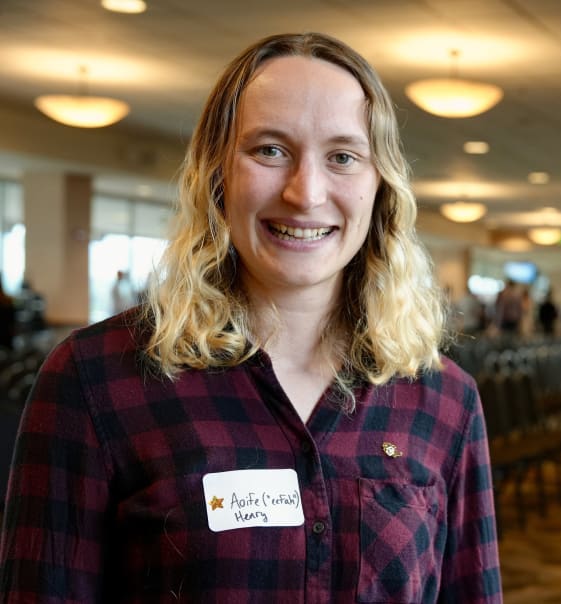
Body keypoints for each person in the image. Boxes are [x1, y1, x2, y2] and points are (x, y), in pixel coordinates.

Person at [0, 33, 502, 602]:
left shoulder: (443, 400)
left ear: (379, 185)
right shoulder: (96, 380)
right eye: (270, 149)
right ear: (218, 174)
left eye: (342, 157)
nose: (306, 193)